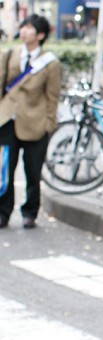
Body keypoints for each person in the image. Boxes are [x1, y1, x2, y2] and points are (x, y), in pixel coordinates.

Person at [0, 14, 59, 229]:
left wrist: (49, 125)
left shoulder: (50, 63)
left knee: (32, 171)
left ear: (40, 35)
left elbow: (53, 97)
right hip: (8, 120)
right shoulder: (10, 54)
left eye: (29, 28)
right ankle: (3, 212)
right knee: (5, 169)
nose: (23, 31)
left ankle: (30, 212)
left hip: (36, 123)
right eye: (23, 27)